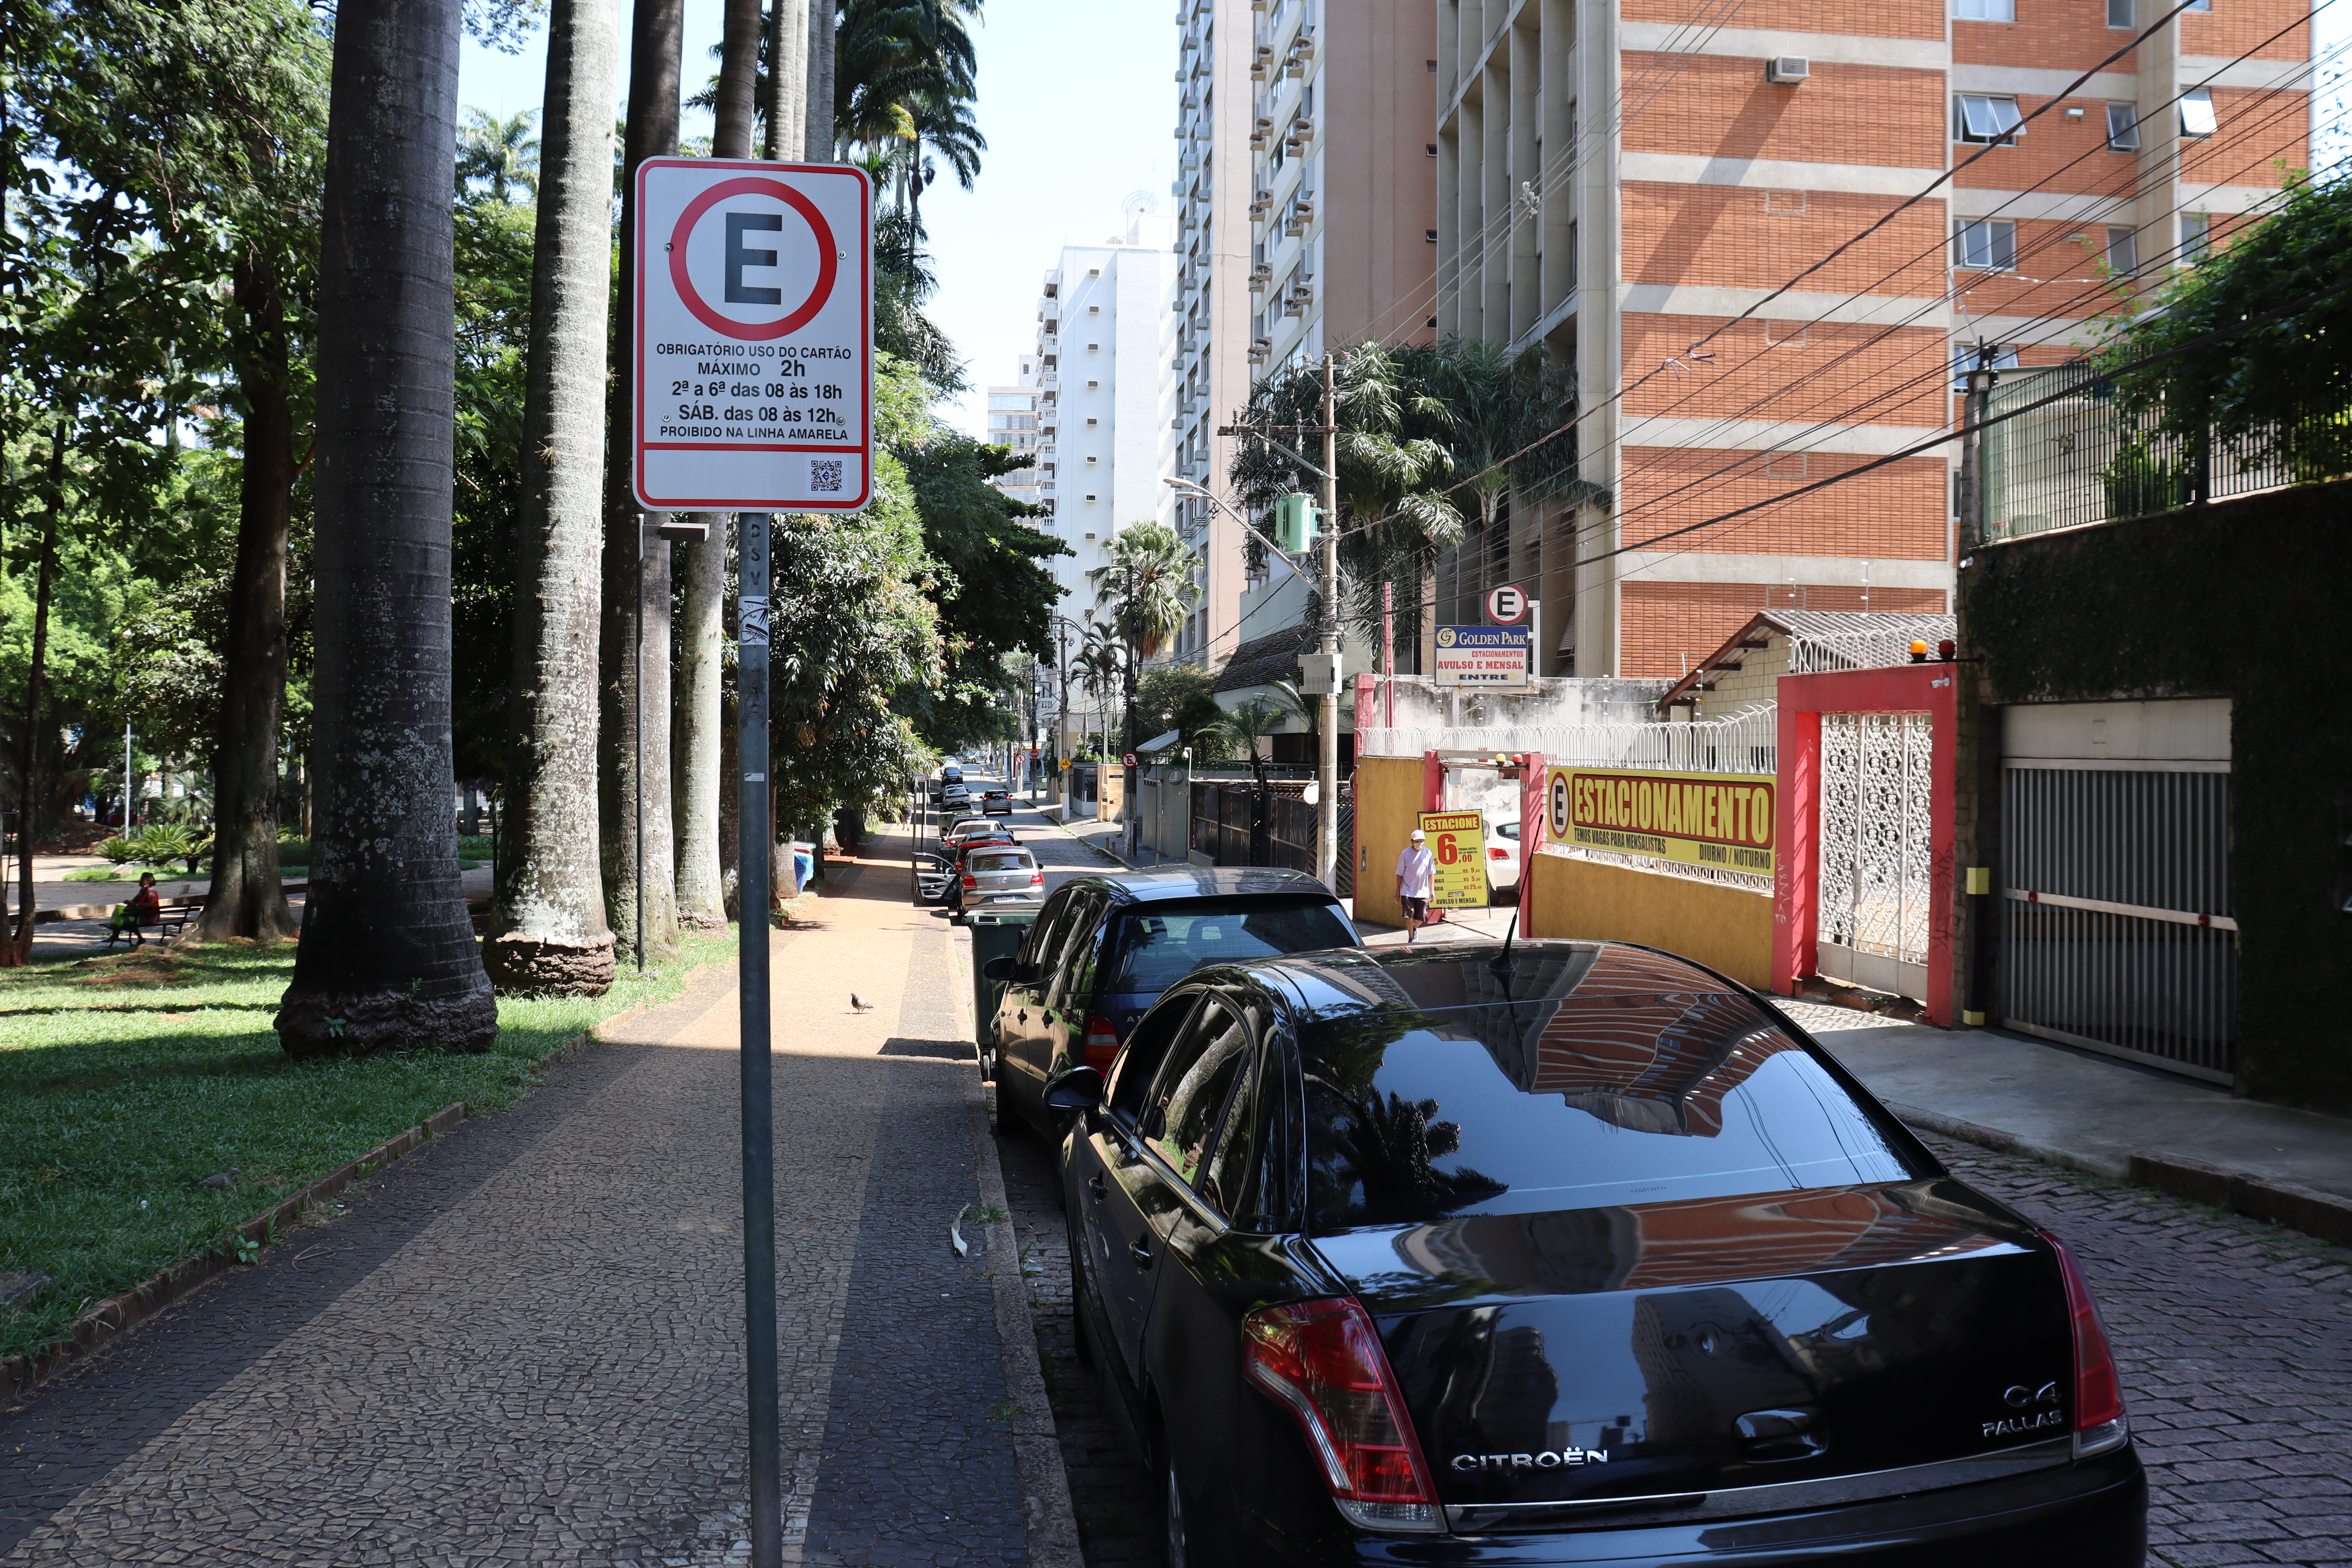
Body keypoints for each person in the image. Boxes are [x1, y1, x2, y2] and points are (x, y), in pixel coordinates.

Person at [1395, 828, 1436, 943]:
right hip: (1407, 890)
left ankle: (1414, 929)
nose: (1419, 844)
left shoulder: (1428, 853)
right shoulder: (1405, 854)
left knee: (1422, 916)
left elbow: (1431, 873)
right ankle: (1411, 938)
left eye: (1421, 841)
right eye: (1417, 841)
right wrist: (1398, 892)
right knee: (1409, 916)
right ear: (1412, 842)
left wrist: (1432, 891)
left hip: (1423, 891)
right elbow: (1399, 874)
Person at [108, 873, 164, 949]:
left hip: (150, 916)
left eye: (142, 880)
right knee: (123, 917)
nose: (140, 881)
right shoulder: (143, 891)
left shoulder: (152, 892)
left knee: (126, 920)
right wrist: (130, 902)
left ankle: (116, 936)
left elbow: (151, 905)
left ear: (148, 881)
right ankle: (117, 936)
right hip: (142, 914)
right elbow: (135, 901)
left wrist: (136, 905)